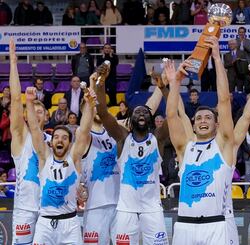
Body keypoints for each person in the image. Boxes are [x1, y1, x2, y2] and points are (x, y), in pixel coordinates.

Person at [166, 36, 235, 245]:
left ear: (216, 124)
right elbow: (171, 116)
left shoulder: (223, 145)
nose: (203, 120)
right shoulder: (184, 148)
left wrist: (216, 57)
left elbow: (223, 100)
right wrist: (175, 83)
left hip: (215, 226)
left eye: (208, 117)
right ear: (194, 125)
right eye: (198, 118)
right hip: (185, 225)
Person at [95, 58, 169, 245]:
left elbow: (174, 116)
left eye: (145, 112)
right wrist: (101, 84)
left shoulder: (157, 139)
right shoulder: (122, 138)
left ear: (150, 118)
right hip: (126, 210)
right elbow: (103, 112)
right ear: (130, 118)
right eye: (137, 112)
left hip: (152, 209)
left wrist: (164, 89)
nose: (142, 114)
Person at [26, 83, 94, 244]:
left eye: (64, 138)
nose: (60, 140)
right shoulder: (44, 157)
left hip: (70, 224)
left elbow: (84, 131)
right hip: (44, 224)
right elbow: (35, 129)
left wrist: (90, 106)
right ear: (51, 142)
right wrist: (29, 102)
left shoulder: (74, 159)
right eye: (56, 137)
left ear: (70, 144)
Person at [9, 39, 52, 245]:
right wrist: (13, 63)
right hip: (25, 209)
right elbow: (16, 100)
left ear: (47, 116)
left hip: (50, 209)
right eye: (32, 110)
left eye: (40, 110)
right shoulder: (20, 137)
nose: (36, 112)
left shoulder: (55, 141)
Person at [79, 77, 120, 245]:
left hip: (121, 205)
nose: (95, 109)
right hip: (95, 205)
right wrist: (91, 87)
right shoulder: (83, 136)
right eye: (91, 107)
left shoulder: (115, 132)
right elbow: (85, 125)